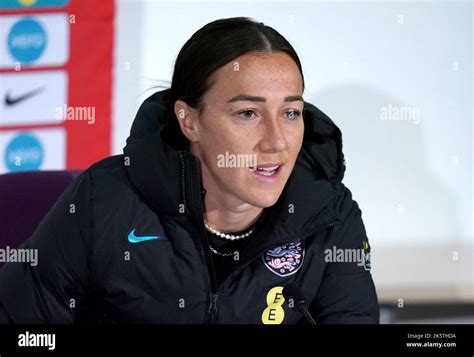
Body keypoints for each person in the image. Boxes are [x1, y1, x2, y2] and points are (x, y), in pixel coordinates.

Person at [0, 17, 379, 324]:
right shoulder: (104, 201)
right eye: (248, 113)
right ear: (189, 121)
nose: (277, 141)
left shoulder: (329, 215)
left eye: (291, 113)